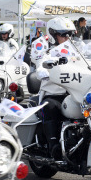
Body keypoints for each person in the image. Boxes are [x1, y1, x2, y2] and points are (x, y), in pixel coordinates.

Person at [32, 16, 76, 158]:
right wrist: (45, 72)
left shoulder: (76, 52)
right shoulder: (46, 53)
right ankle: (53, 145)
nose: (66, 38)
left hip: (74, 94)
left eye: (69, 34)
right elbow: (40, 69)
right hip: (53, 94)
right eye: (63, 34)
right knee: (50, 107)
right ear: (52, 35)